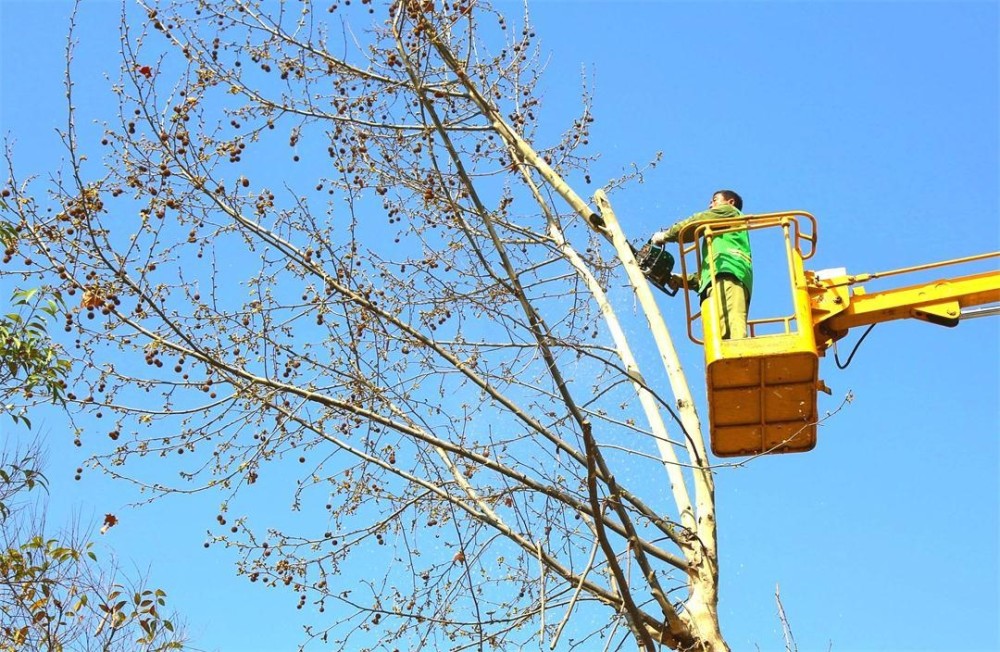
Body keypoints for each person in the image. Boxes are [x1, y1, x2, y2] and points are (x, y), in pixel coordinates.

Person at [651, 190, 752, 339]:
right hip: (717, 277)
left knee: (733, 328)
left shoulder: (730, 212)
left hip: (729, 273)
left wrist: (666, 235)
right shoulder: (716, 240)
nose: (710, 204)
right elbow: (704, 276)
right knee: (718, 336)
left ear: (730, 202)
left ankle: (740, 354)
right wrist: (680, 279)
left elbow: (697, 221)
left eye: (715, 200)